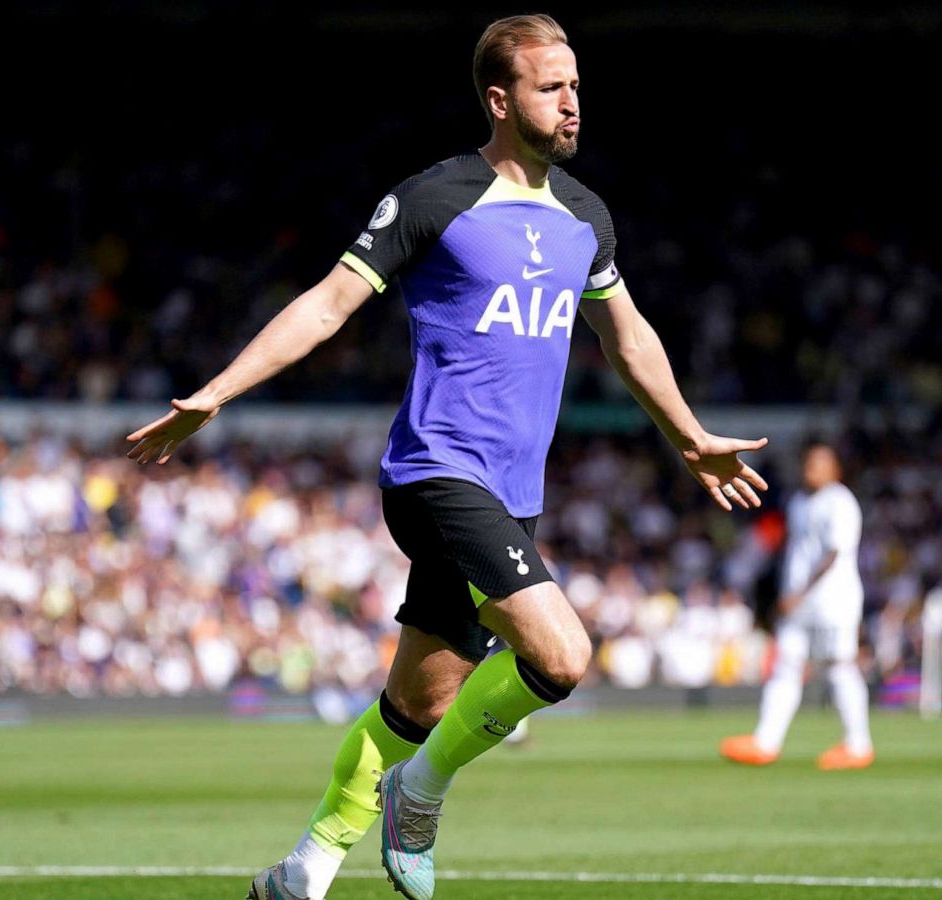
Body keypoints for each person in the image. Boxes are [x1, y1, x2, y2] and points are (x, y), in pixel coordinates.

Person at [125, 14, 769, 900]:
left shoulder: (586, 217)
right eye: (553, 87)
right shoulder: (436, 198)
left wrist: (690, 436)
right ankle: (419, 795)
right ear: (501, 100)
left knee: (417, 707)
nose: (574, 102)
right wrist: (218, 394)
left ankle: (301, 872)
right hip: (436, 472)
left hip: (512, 493)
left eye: (577, 85)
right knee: (562, 657)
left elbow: (627, 337)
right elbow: (326, 304)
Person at [721, 442, 873, 770]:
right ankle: (766, 742)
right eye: (808, 463)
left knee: (839, 666)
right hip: (798, 602)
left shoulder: (841, 502)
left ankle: (858, 744)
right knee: (786, 666)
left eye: (819, 464)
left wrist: (800, 593)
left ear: (835, 470)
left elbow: (834, 554)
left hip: (834, 601)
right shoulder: (799, 501)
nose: (811, 470)